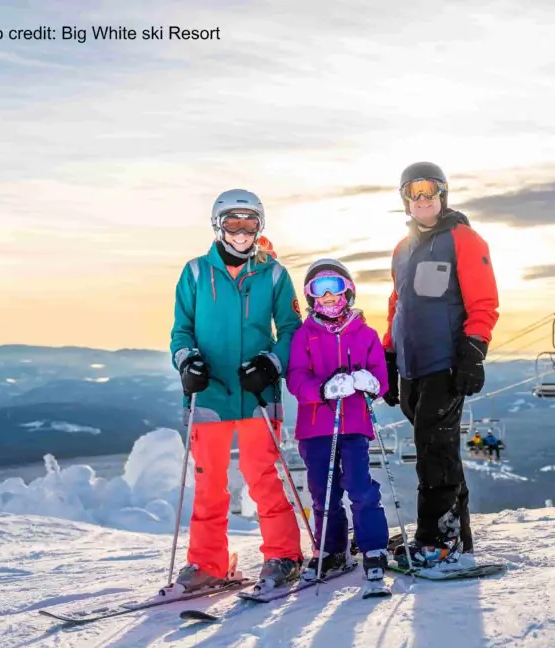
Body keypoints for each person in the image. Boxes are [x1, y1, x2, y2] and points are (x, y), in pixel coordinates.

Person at [169, 189, 304, 594]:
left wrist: (270, 364)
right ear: (218, 225)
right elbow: (181, 330)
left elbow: (292, 330)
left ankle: (283, 556)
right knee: (209, 481)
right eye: (233, 222)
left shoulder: (275, 274)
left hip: (256, 393)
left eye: (250, 223)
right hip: (208, 393)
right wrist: (187, 362)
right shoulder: (195, 273)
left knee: (260, 474)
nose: (241, 231)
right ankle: (208, 563)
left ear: (260, 226)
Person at [380, 161, 500, 569]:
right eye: (414, 192)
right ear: (405, 200)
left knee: (434, 449)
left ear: (443, 194)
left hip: (445, 364)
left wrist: (474, 349)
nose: (423, 198)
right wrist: (389, 356)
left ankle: (438, 540)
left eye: (430, 190)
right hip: (412, 367)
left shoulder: (463, 239)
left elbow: (484, 300)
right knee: (438, 450)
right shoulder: (403, 249)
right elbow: (398, 306)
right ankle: (457, 537)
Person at [285, 259, 391, 588]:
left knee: (360, 487)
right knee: (323, 493)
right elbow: (295, 378)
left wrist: (368, 382)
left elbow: (381, 380)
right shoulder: (305, 335)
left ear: (349, 292)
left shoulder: (365, 334)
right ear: (310, 297)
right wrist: (322, 389)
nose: (328, 295)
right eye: (319, 289)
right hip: (316, 426)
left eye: (334, 286)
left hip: (355, 425)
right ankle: (332, 550)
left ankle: (373, 546)